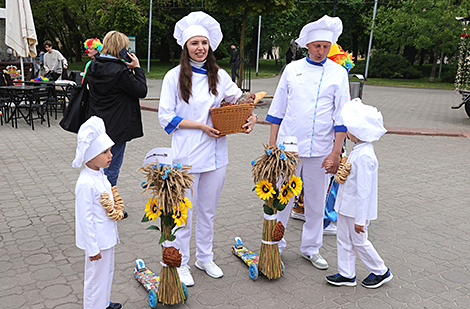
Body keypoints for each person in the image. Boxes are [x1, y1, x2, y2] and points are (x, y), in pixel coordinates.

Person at [158, 11, 257, 287]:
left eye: (203, 43)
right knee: (184, 212)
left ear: (209, 45)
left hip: (216, 156)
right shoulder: (173, 77)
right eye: (194, 43)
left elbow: (239, 101)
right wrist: (201, 126)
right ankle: (181, 262)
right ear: (185, 46)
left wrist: (251, 116)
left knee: (208, 211)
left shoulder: (220, 75)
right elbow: (165, 117)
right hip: (186, 156)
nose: (200, 48)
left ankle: (204, 256)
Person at [266, 15, 350, 270]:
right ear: (307, 46)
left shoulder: (338, 73)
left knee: (316, 202)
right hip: (289, 148)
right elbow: (278, 108)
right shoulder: (293, 69)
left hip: (322, 149)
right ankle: (275, 245)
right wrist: (272, 144)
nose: (321, 51)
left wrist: (336, 152)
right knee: (283, 198)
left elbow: (341, 115)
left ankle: (311, 248)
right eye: (316, 46)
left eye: (326, 47)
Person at [326, 99, 393, 288]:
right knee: (343, 239)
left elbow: (364, 190)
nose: (347, 131)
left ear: (358, 131)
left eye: (349, 128)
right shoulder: (359, 150)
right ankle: (346, 273)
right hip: (346, 206)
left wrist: (360, 219)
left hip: (356, 211)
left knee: (359, 241)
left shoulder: (365, 156)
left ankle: (381, 271)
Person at [72, 116, 123, 309]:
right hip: (97, 242)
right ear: (90, 156)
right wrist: (92, 248)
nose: (111, 155)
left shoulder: (100, 174)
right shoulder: (85, 183)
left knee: (107, 272)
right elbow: (85, 219)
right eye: (105, 152)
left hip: (107, 237)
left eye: (110, 150)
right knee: (95, 277)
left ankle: (102, 304)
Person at [86, 31, 147, 188]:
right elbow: (141, 91)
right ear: (121, 49)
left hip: (97, 124)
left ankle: (97, 200)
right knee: (111, 167)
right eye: (125, 48)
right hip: (117, 126)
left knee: (97, 166)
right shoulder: (120, 71)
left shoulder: (93, 65)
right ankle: (108, 206)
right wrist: (137, 68)